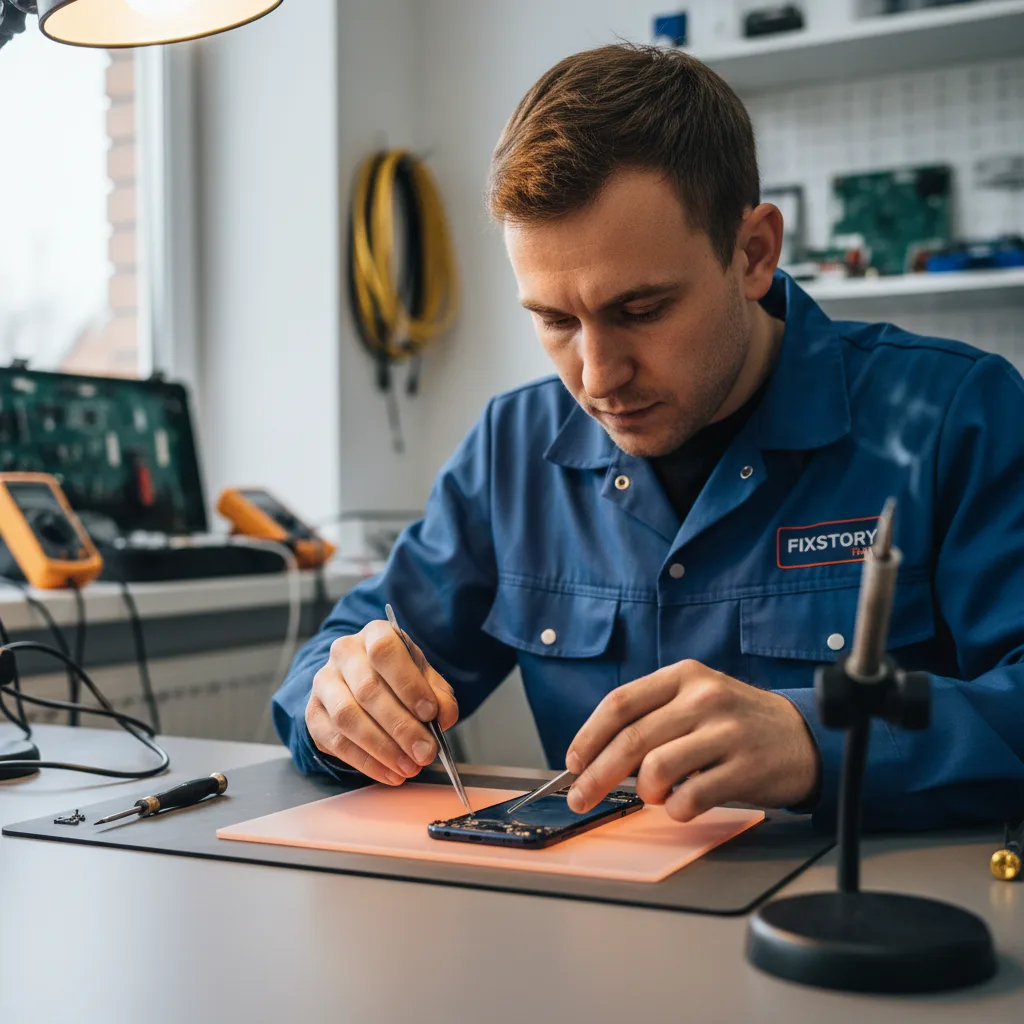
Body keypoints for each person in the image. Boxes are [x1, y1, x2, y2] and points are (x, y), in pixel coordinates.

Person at [273, 43, 1024, 830]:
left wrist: (819, 737)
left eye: (640, 311)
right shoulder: (512, 448)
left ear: (753, 254)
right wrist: (341, 699)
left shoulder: (956, 416)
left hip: (867, 931)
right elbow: (329, 666)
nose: (597, 377)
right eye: (556, 321)